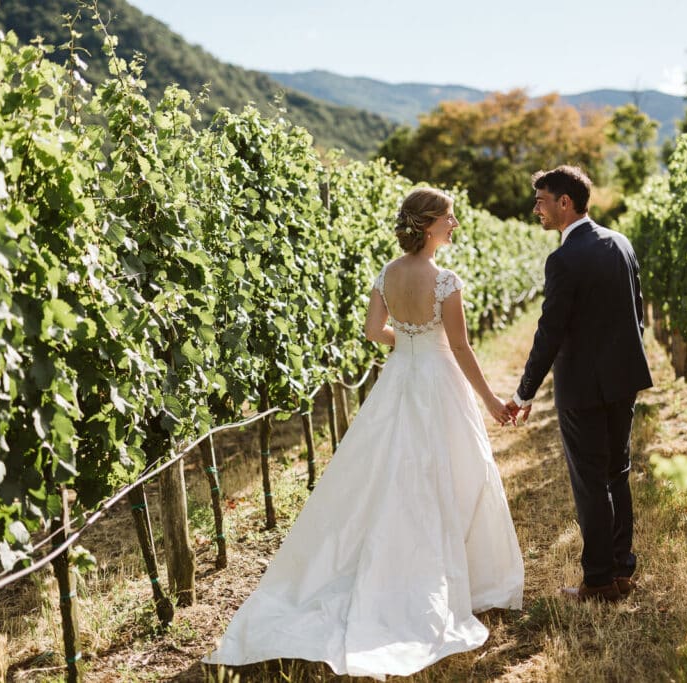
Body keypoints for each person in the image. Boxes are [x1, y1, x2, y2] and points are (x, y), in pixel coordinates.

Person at [203, 187, 523, 679]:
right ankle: (456, 580)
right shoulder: (446, 281)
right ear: (430, 223)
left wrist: (412, 338)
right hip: (439, 384)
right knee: (454, 475)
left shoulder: (387, 275)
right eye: (450, 219)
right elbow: (461, 348)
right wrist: (491, 401)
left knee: (387, 475)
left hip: (400, 379)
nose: (455, 226)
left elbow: (375, 332)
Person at [506, 165, 652, 603]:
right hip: (622, 380)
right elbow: (637, 312)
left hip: (584, 388)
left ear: (565, 203)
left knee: (590, 482)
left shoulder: (564, 258)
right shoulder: (621, 243)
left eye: (541, 200)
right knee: (616, 474)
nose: (536, 209)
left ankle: (598, 580)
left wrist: (523, 392)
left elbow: (550, 331)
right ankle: (622, 570)